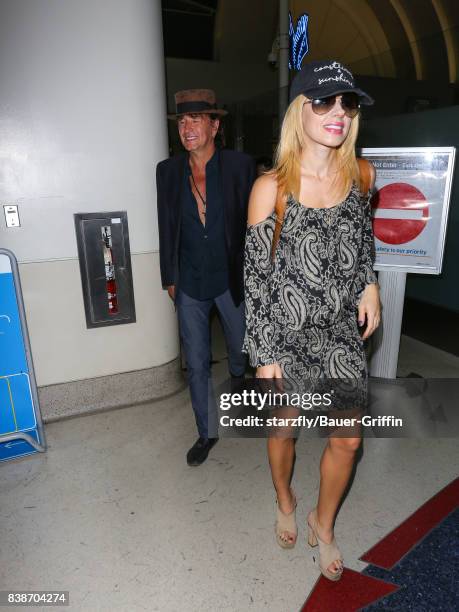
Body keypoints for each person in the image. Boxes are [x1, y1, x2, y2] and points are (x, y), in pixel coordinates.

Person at [242, 60, 381, 580]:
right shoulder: (270, 188)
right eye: (324, 102)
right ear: (299, 110)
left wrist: (369, 284)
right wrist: (264, 355)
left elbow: (362, 241)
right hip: (284, 335)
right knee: (285, 433)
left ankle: (324, 525)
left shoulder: (361, 175)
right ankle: (283, 495)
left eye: (346, 103)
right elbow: (255, 280)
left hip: (341, 333)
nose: (338, 113)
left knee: (348, 439)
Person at [156, 89, 256, 466]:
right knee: (196, 361)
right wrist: (169, 275)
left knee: (240, 349)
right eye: (182, 121)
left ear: (215, 125)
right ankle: (206, 432)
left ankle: (237, 379)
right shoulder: (166, 172)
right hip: (189, 283)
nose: (187, 128)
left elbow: (255, 224)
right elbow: (166, 226)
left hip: (232, 278)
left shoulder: (240, 166)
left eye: (196, 119)